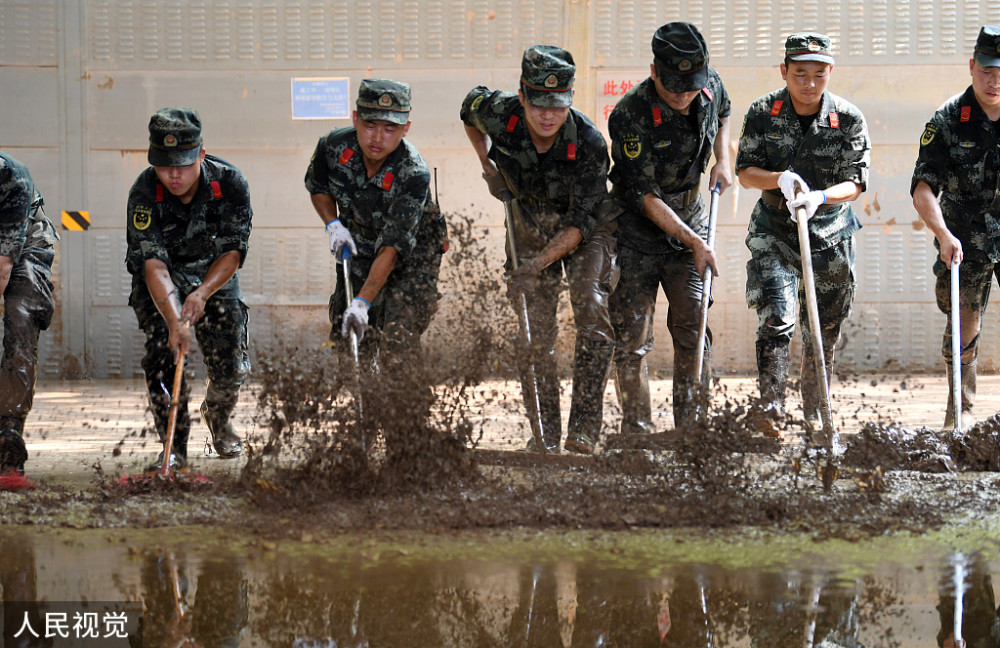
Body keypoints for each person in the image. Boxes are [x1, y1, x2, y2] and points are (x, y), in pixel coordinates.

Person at [461, 45, 620, 454]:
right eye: (538, 105)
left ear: (569, 98)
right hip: (528, 220)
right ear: (522, 94)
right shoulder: (499, 111)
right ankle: (544, 433)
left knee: (590, 307)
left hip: (583, 230)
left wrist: (539, 263)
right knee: (534, 331)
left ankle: (583, 429)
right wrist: (488, 166)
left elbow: (583, 221)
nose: (548, 115)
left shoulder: (587, 140)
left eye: (558, 105)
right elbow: (468, 109)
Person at [736, 32, 871, 437]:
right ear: (784, 71)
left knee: (823, 326)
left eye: (818, 74)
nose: (809, 84)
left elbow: (857, 182)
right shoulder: (763, 112)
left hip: (829, 231)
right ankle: (771, 412)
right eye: (800, 74)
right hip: (774, 230)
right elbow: (745, 173)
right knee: (777, 317)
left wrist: (821, 197)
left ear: (830, 72)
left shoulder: (848, 118)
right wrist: (779, 179)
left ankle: (816, 412)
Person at [304, 79, 447, 451]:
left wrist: (364, 301)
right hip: (358, 246)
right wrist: (333, 224)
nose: (378, 138)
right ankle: (362, 434)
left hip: (412, 259)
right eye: (369, 125)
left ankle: (407, 445)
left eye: (391, 128)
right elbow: (317, 185)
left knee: (398, 340)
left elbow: (394, 247)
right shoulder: (334, 145)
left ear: (406, 128)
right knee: (350, 337)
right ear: (355, 118)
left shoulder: (412, 171)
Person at [607, 22, 731, 432]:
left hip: (689, 224)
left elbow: (725, 112)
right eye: (673, 85)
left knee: (694, 327)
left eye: (690, 85)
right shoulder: (629, 114)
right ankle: (638, 431)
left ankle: (692, 432)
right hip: (637, 234)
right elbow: (645, 196)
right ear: (654, 71)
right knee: (632, 338)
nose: (683, 94)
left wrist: (723, 160)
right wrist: (695, 239)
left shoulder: (708, 84)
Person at [126, 107, 253, 470]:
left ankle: (218, 414)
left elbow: (232, 253)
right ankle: (174, 447)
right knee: (163, 358)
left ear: (200, 153)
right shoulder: (144, 192)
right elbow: (154, 265)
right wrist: (174, 321)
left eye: (182, 164)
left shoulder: (230, 184)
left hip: (214, 276)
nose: (174, 175)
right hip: (162, 282)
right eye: (165, 166)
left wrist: (201, 293)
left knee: (232, 364)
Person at [912, 25, 1000, 432]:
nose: (993, 79)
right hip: (964, 236)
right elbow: (923, 187)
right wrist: (944, 235)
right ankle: (959, 416)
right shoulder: (949, 119)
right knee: (963, 323)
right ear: (972, 66)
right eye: (986, 70)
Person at [0, 153, 57, 477]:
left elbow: (3, 266)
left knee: (20, 317)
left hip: (23, 250)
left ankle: (8, 433)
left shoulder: (11, 178)